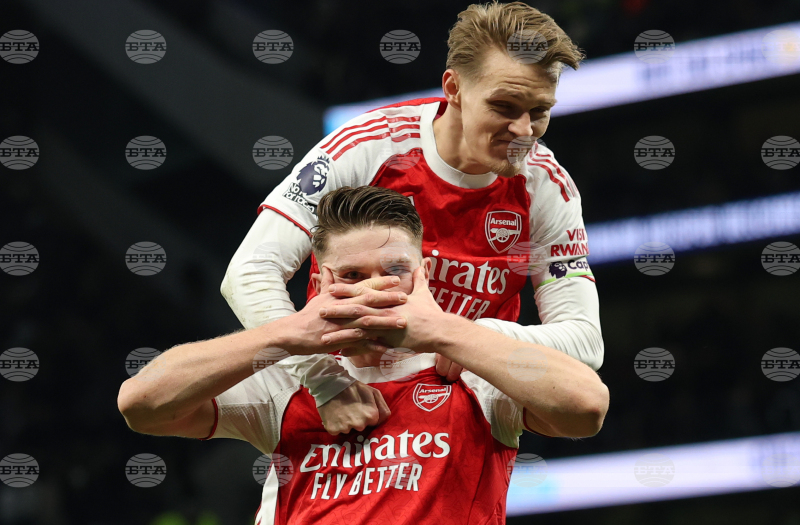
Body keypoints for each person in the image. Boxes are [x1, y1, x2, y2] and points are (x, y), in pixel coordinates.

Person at [117, 186, 610, 525]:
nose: (375, 288)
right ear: (320, 282)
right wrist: (290, 332)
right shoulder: (290, 378)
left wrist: (446, 332)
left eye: (394, 270)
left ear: (422, 273)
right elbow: (142, 404)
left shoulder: (472, 369)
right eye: (352, 276)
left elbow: (587, 407)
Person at [221, 0, 602, 436]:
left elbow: (585, 342)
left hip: (455, 433)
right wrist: (324, 379)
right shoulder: (368, 147)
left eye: (539, 111)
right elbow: (249, 272)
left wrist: (468, 337)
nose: (523, 130)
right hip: (340, 412)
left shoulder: (547, 186)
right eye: (504, 106)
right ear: (454, 88)